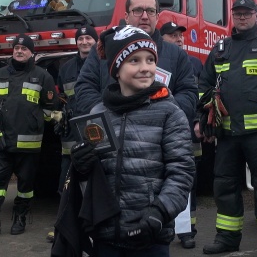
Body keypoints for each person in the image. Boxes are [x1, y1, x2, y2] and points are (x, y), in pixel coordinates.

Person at [55, 25, 195, 256]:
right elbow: (93, 179)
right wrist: (81, 167)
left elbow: (182, 173)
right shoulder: (98, 113)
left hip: (150, 236)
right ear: (116, 69)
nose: (145, 68)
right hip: (105, 236)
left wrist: (158, 214)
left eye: (150, 60)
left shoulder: (170, 113)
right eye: (134, 61)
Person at [196, 0, 257, 256]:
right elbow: (204, 83)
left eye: (247, 13)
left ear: (256, 15)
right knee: (224, 186)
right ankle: (226, 238)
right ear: (233, 16)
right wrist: (205, 108)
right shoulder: (221, 47)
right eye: (238, 13)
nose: (242, 17)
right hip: (226, 133)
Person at [0, 34, 57, 239]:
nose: (19, 51)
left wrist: (33, 123)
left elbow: (50, 109)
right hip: (2, 140)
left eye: (24, 49)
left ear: (32, 53)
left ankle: (20, 218)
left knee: (26, 185)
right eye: (17, 48)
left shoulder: (43, 76)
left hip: (29, 142)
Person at [75, 0, 197, 128]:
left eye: (150, 11)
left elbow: (189, 94)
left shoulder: (177, 55)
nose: (145, 16)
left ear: (157, 17)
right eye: (138, 10)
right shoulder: (103, 51)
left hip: (159, 136)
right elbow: (84, 88)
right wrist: (109, 115)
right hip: (113, 134)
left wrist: (159, 115)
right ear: (126, 17)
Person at [46, 26, 99, 243]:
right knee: (65, 181)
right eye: (81, 38)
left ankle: (93, 226)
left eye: (89, 38)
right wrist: (59, 116)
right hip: (70, 135)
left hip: (95, 131)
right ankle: (63, 224)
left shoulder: (103, 65)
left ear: (95, 42)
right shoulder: (66, 68)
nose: (85, 42)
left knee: (94, 181)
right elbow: (61, 99)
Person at [160, 21, 201, 249]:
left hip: (185, 131)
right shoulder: (151, 60)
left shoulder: (192, 62)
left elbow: (198, 96)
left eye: (180, 35)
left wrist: (197, 120)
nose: (178, 39)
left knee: (187, 181)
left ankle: (187, 230)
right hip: (159, 132)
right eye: (172, 35)